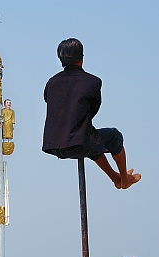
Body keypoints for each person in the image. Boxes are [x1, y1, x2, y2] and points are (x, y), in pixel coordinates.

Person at [42, 38, 141, 189]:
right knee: (114, 136)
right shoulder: (92, 82)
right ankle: (124, 178)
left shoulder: (51, 83)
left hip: (53, 145)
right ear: (81, 58)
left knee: (90, 140)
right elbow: (93, 109)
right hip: (78, 142)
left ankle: (115, 178)